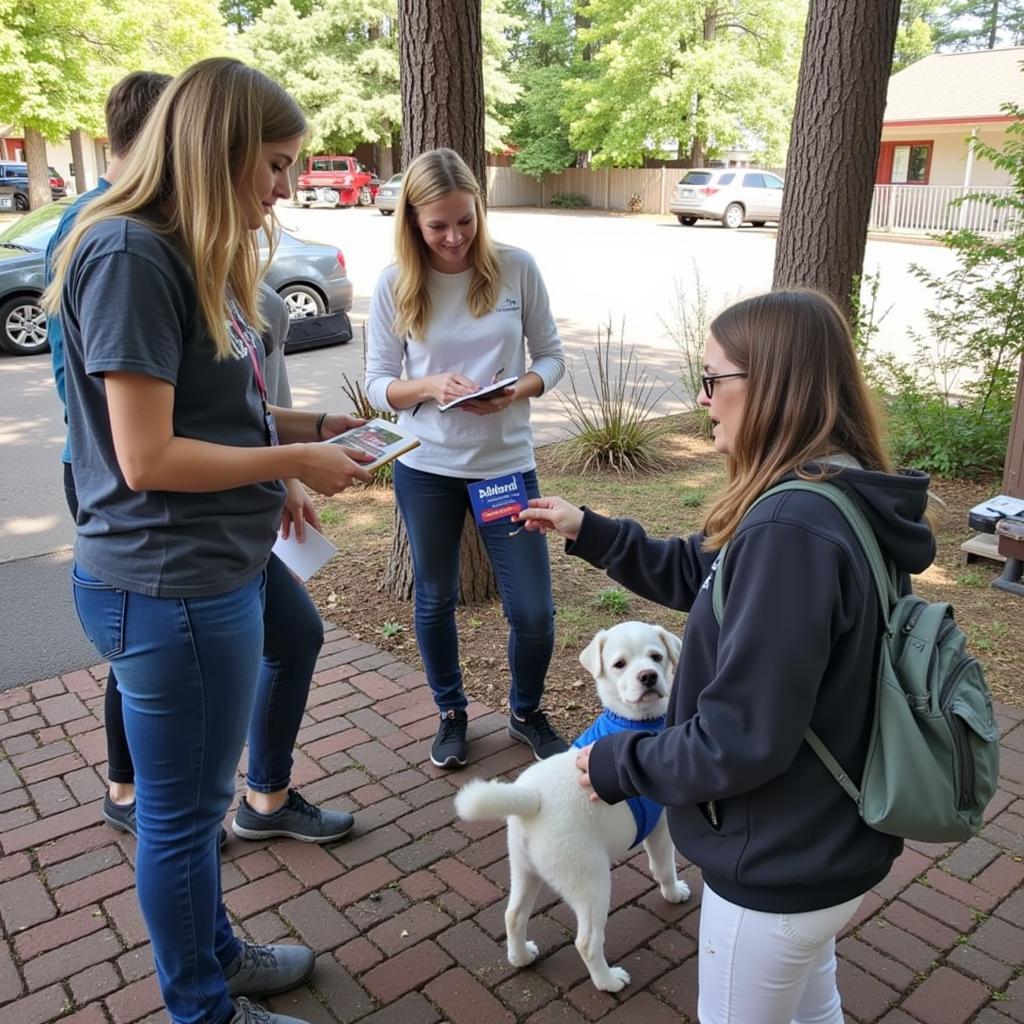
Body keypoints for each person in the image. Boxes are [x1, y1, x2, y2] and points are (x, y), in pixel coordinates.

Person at [44, 57, 372, 1024]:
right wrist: (288, 469)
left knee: (193, 806)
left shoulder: (187, 250)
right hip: (169, 582)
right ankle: (202, 1007)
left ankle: (217, 953)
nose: (285, 186)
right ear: (215, 148)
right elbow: (146, 457)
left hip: (204, 568)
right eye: (273, 164)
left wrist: (314, 438)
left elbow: (219, 416)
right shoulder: (133, 255)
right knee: (184, 820)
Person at [517, 289, 936, 1024]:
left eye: (713, 380)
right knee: (812, 1009)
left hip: (780, 857)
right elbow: (705, 577)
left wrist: (614, 765)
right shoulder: (827, 489)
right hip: (824, 834)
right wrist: (592, 530)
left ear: (769, 385)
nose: (703, 399)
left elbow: (742, 737)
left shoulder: (792, 528)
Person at [364, 147, 568, 770]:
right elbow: (378, 384)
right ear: (413, 222)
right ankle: (451, 713)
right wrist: (428, 387)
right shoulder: (396, 283)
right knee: (435, 596)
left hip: (503, 465)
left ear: (480, 211)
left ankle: (525, 711)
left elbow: (552, 357)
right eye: (438, 225)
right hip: (426, 467)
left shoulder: (516, 268)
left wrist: (518, 389)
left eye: (465, 221)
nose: (453, 238)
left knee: (532, 608)